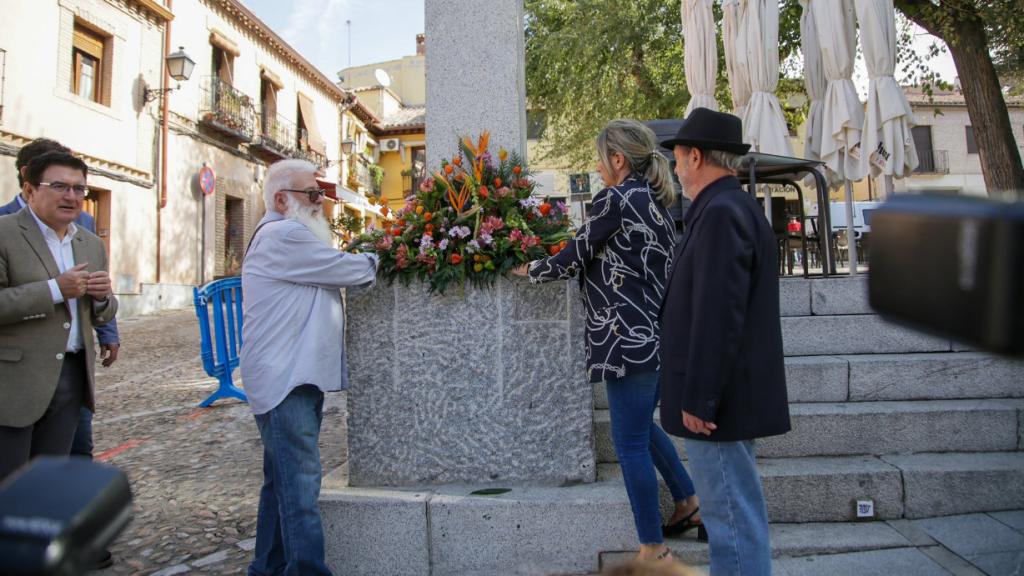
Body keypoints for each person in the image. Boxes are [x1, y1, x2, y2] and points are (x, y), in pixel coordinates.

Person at [513, 119, 702, 563]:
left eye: (601, 159)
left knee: (630, 442)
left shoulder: (615, 200)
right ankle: (688, 502)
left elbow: (574, 256)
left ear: (618, 160)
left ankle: (653, 548)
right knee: (643, 429)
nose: (598, 168)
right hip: (654, 335)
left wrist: (526, 269)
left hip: (625, 339)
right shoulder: (656, 204)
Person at [658, 107, 791, 576]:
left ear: (695, 156)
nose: (674, 168)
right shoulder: (728, 207)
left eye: (676, 158)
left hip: (716, 404)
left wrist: (701, 396)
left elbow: (718, 314)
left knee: (730, 517)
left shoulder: (720, 213)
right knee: (733, 511)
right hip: (723, 399)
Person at [240, 159, 378, 576]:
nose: (321, 203)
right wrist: (387, 257)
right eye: (312, 195)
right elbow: (345, 269)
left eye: (321, 195)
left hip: (288, 375)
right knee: (299, 484)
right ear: (282, 200)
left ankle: (266, 568)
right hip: (287, 377)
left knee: (279, 482)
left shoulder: (283, 233)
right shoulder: (284, 234)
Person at [0, 138, 121, 469]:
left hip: (70, 377)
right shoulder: (4, 233)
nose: (71, 196)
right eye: (59, 186)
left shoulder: (91, 244)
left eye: (79, 189)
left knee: (48, 483)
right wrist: (55, 289)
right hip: (13, 382)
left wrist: (102, 298)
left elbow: (103, 311)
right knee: (9, 488)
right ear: (29, 189)